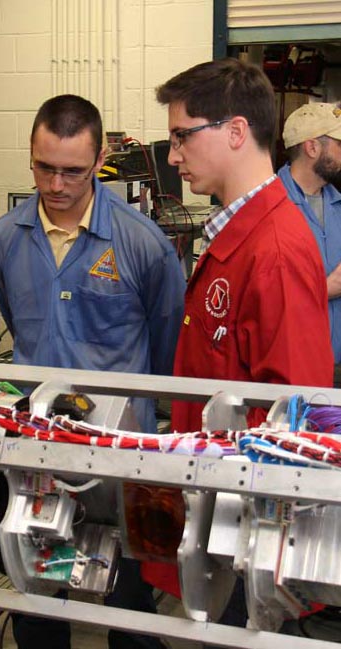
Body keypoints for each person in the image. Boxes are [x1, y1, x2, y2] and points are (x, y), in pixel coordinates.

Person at [0, 94, 186, 649]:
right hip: (36, 449)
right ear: (30, 155)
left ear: (99, 161)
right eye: (43, 167)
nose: (55, 184)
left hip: (121, 456)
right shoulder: (5, 240)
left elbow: (167, 345)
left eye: (72, 171)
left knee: (130, 605)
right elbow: (21, 322)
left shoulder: (142, 245)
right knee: (34, 591)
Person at [152, 57, 334, 634]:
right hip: (217, 506)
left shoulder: (273, 248)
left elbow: (293, 417)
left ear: (234, 131)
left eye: (183, 135)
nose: (173, 154)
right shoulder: (238, 233)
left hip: (245, 522)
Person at [277, 102, 341, 366]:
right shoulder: (268, 209)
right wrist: (324, 289)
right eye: (339, 145)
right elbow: (257, 301)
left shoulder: (337, 203)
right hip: (294, 367)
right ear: (312, 147)